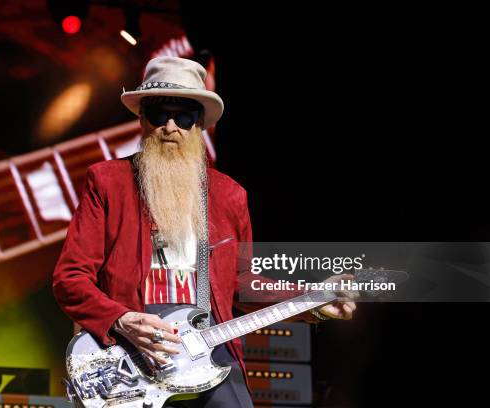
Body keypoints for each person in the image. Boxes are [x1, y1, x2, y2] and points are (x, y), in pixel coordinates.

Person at [52, 56, 356, 407]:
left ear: (200, 125)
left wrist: (312, 301)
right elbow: (70, 277)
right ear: (141, 119)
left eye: (184, 116)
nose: (170, 126)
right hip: (129, 354)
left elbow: (241, 282)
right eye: (158, 114)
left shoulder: (229, 195)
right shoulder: (107, 182)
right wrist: (120, 319)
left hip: (209, 347)